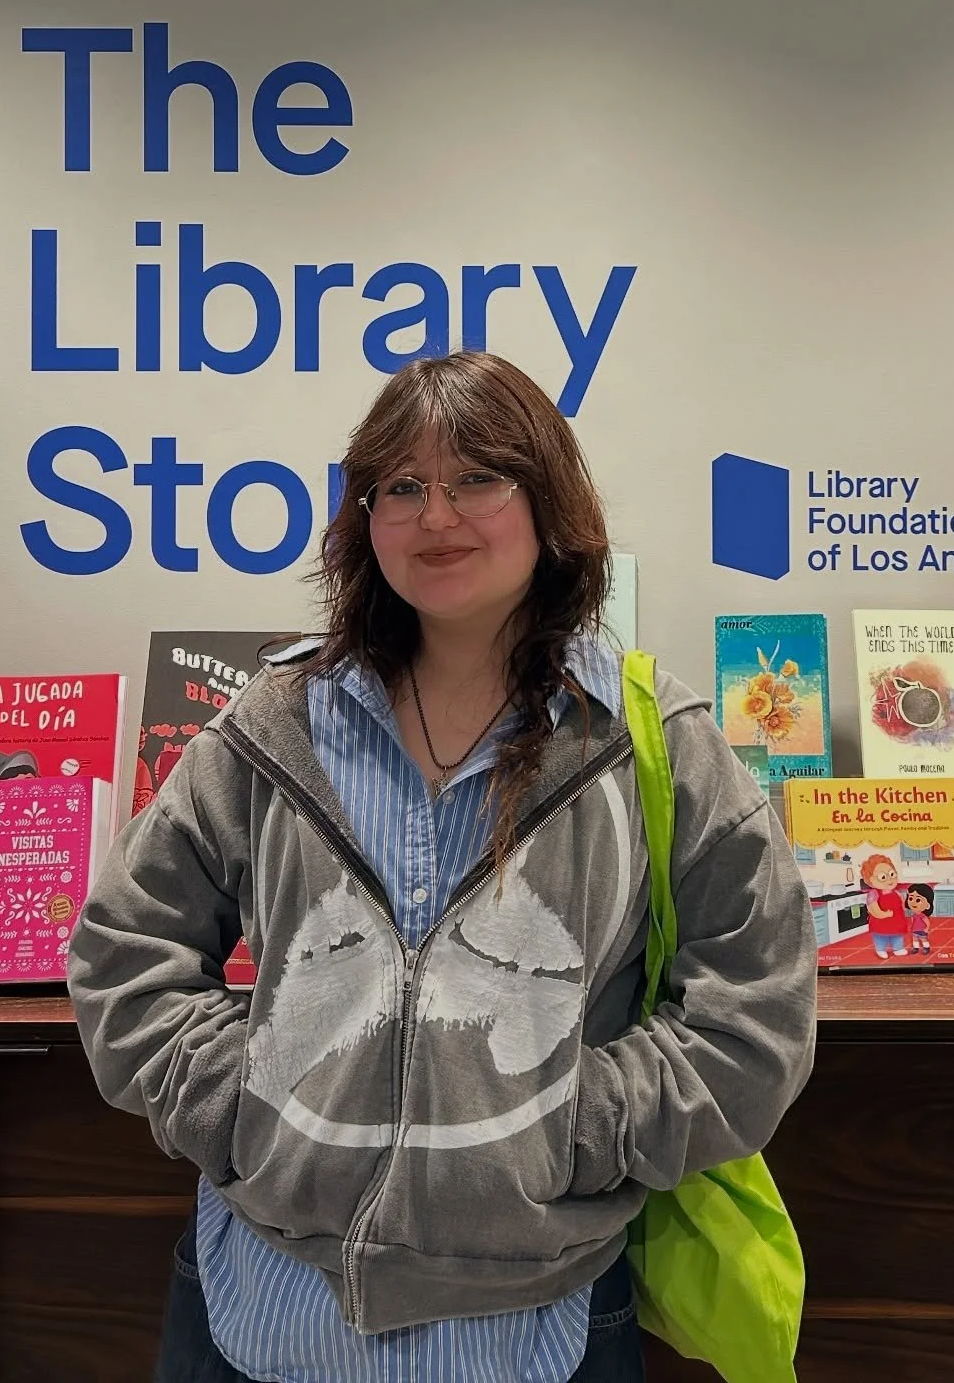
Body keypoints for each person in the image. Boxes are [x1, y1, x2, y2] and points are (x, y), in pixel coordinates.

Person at [66, 351, 819, 1383]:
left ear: (549, 504)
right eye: (402, 487)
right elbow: (124, 951)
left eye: (477, 478)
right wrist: (242, 1103)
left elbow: (757, 1013)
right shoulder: (277, 727)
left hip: (536, 1324)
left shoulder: (649, 739)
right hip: (266, 1309)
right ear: (364, 516)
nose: (437, 516)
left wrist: (577, 1126)